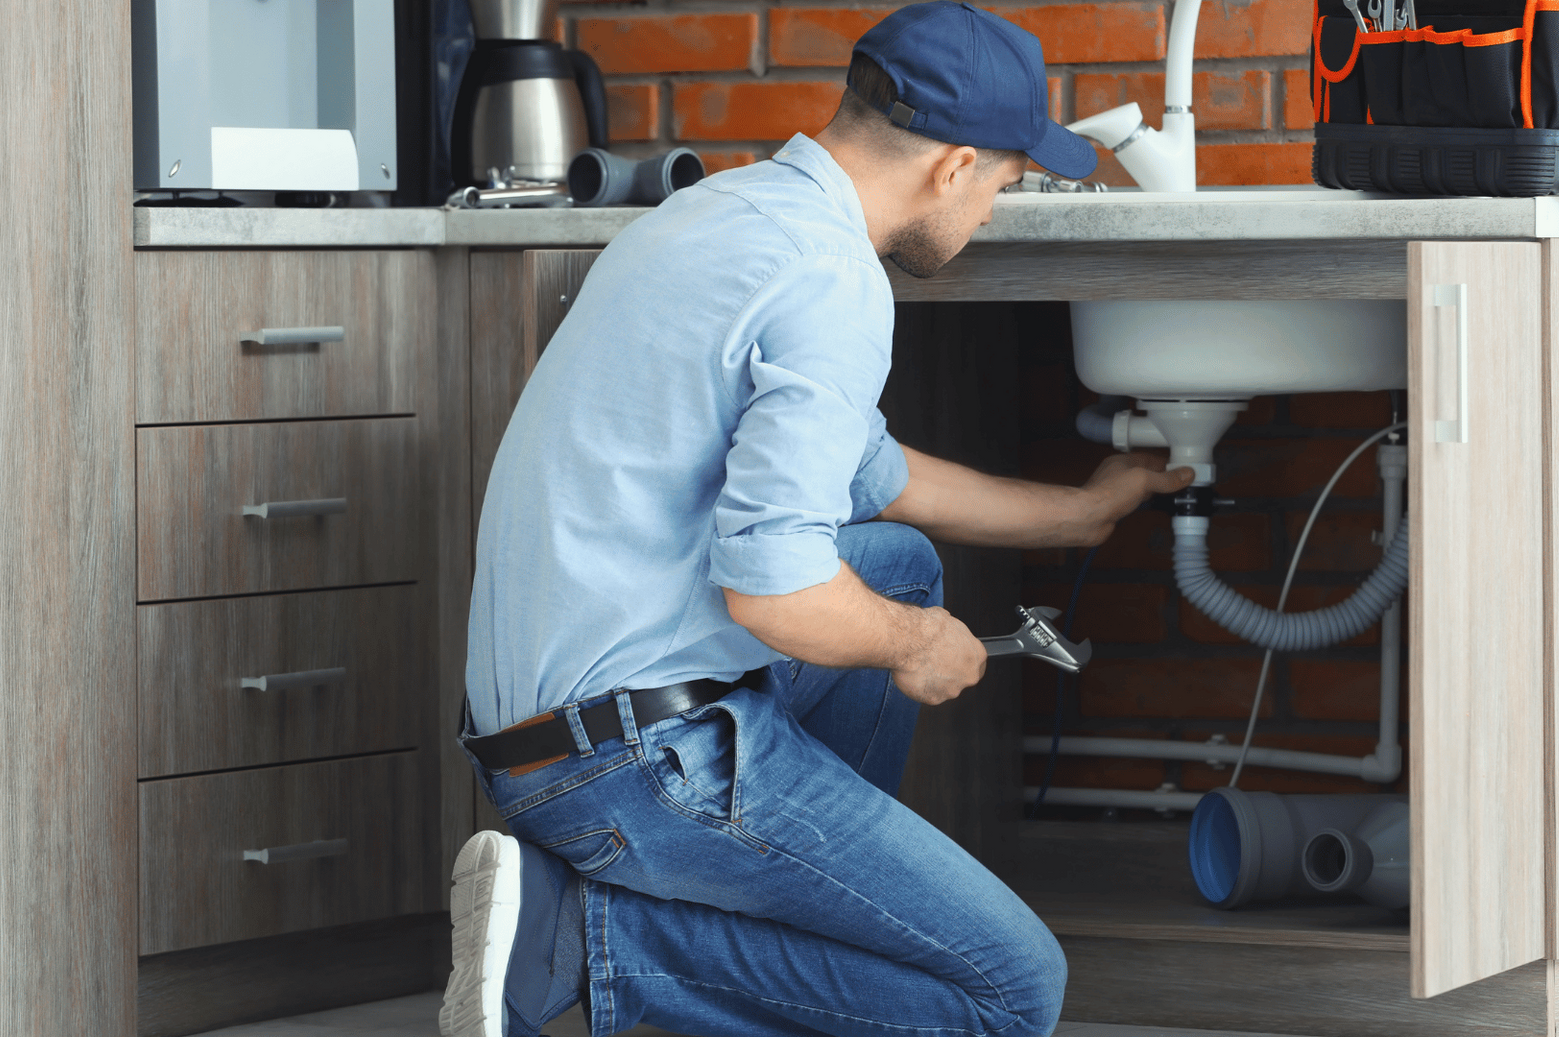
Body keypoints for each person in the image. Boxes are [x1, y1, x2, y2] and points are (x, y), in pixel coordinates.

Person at [441, 4, 1192, 1036]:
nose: (989, 217)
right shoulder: (835, 281)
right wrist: (916, 641)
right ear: (954, 165)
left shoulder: (731, 212)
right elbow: (776, 588)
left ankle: (790, 916)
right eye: (1004, 188)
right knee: (1012, 991)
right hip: (627, 764)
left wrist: (1081, 513)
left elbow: (872, 477)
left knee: (900, 561)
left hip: (536, 734)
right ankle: (585, 935)